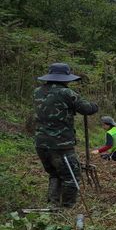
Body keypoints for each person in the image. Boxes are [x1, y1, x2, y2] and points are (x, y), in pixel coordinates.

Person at [33, 63, 98, 208]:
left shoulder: (37, 91)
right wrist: (95, 105)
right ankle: (67, 207)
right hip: (61, 143)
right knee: (71, 175)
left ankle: (53, 204)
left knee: (54, 173)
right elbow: (86, 109)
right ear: (64, 79)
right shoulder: (66, 93)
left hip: (41, 142)